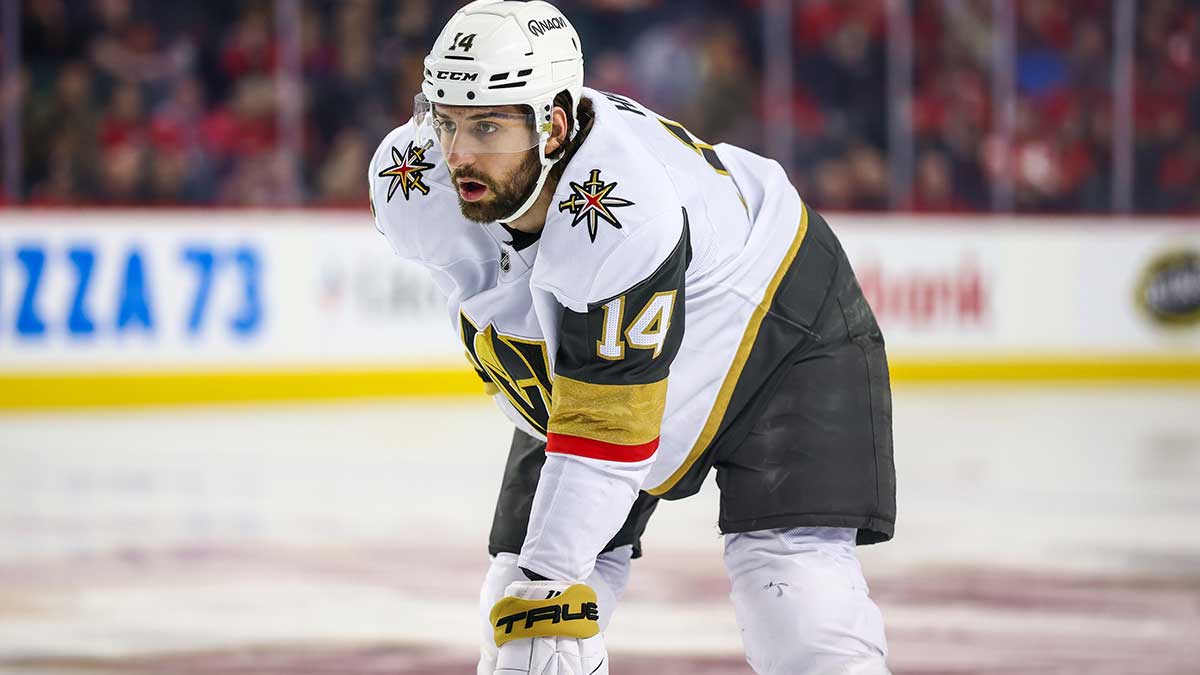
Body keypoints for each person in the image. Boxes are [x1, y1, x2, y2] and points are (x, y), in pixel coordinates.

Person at [368, 2, 895, 673]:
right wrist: (541, 592)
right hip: (605, 361)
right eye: (445, 119)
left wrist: (551, 577)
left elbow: (605, 431)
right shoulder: (413, 180)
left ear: (553, 125)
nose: (457, 154)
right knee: (526, 627)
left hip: (780, 322)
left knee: (798, 608)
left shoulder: (620, 209)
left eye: (488, 125)